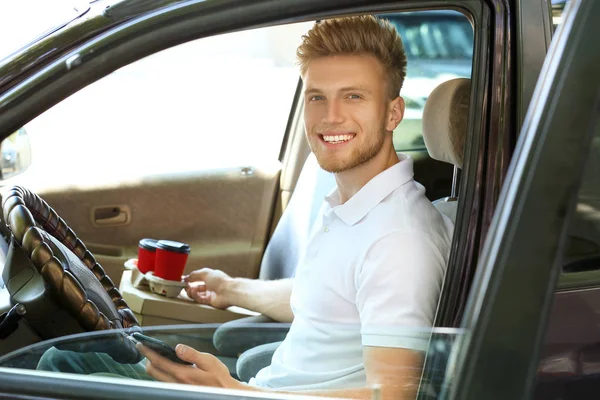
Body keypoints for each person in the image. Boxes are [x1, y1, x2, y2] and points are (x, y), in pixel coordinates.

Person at [38, 15, 453, 400]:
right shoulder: (353, 207)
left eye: (354, 96)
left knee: (55, 373)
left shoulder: (399, 238)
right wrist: (230, 289)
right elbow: (330, 299)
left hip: (254, 395)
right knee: (68, 362)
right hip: (261, 388)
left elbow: (396, 393)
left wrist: (235, 393)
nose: (331, 116)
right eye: (316, 98)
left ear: (393, 113)